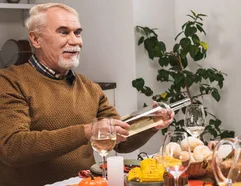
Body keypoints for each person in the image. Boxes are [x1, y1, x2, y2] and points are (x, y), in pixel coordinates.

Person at [0, 3, 174, 186]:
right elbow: (13, 148)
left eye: (77, 32)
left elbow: (122, 142)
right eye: (63, 32)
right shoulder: (9, 82)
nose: (75, 41)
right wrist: (87, 131)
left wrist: (152, 123)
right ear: (36, 39)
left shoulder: (89, 87)